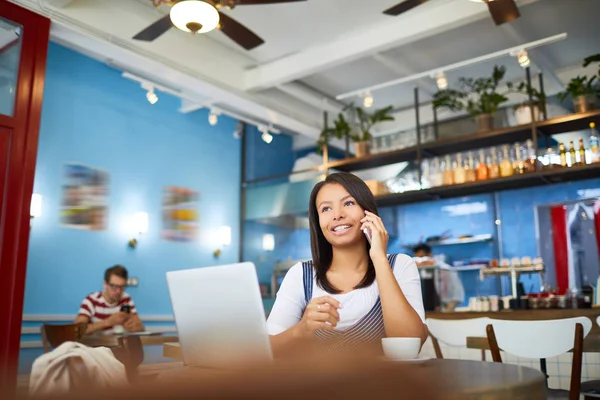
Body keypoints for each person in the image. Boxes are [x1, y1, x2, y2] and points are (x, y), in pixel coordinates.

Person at [267, 172, 427, 356]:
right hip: (318, 385)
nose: (337, 215)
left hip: (383, 385)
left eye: (349, 203)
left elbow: (410, 343)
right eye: (326, 209)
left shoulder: (399, 265)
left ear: (368, 212)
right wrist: (301, 329)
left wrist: (380, 259)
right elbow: (267, 350)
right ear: (318, 223)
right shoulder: (300, 275)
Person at [74, 265, 144, 334]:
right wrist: (108, 322)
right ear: (105, 284)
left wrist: (134, 327)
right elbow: (77, 330)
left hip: (118, 343)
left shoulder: (126, 299)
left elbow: (141, 329)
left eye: (122, 287)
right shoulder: (91, 300)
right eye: (114, 286)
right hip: (96, 344)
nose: (118, 291)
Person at [412, 244, 465, 312]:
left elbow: (458, 293)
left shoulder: (445, 270)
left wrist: (447, 311)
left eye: (423, 257)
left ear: (430, 254)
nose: (421, 262)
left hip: (443, 311)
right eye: (418, 258)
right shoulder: (418, 272)